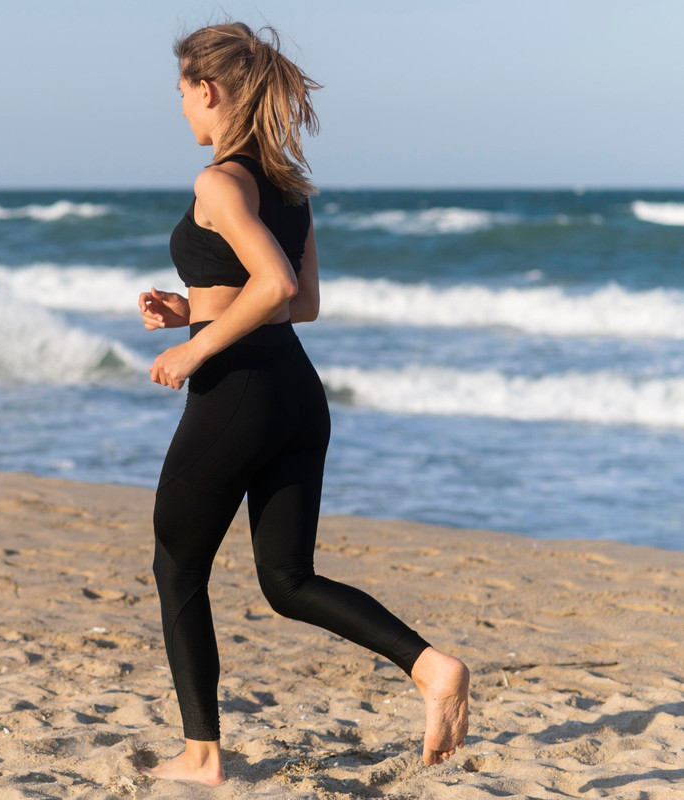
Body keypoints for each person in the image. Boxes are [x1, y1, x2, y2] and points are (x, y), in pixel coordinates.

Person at [137, 22, 469, 786]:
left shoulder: (218, 183)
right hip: (294, 394)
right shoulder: (287, 185)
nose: (180, 107)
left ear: (208, 90)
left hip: (238, 396)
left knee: (177, 563)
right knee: (285, 580)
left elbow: (280, 290)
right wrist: (188, 313)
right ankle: (430, 666)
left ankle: (201, 758)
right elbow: (303, 304)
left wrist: (195, 349)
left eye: (182, 92)